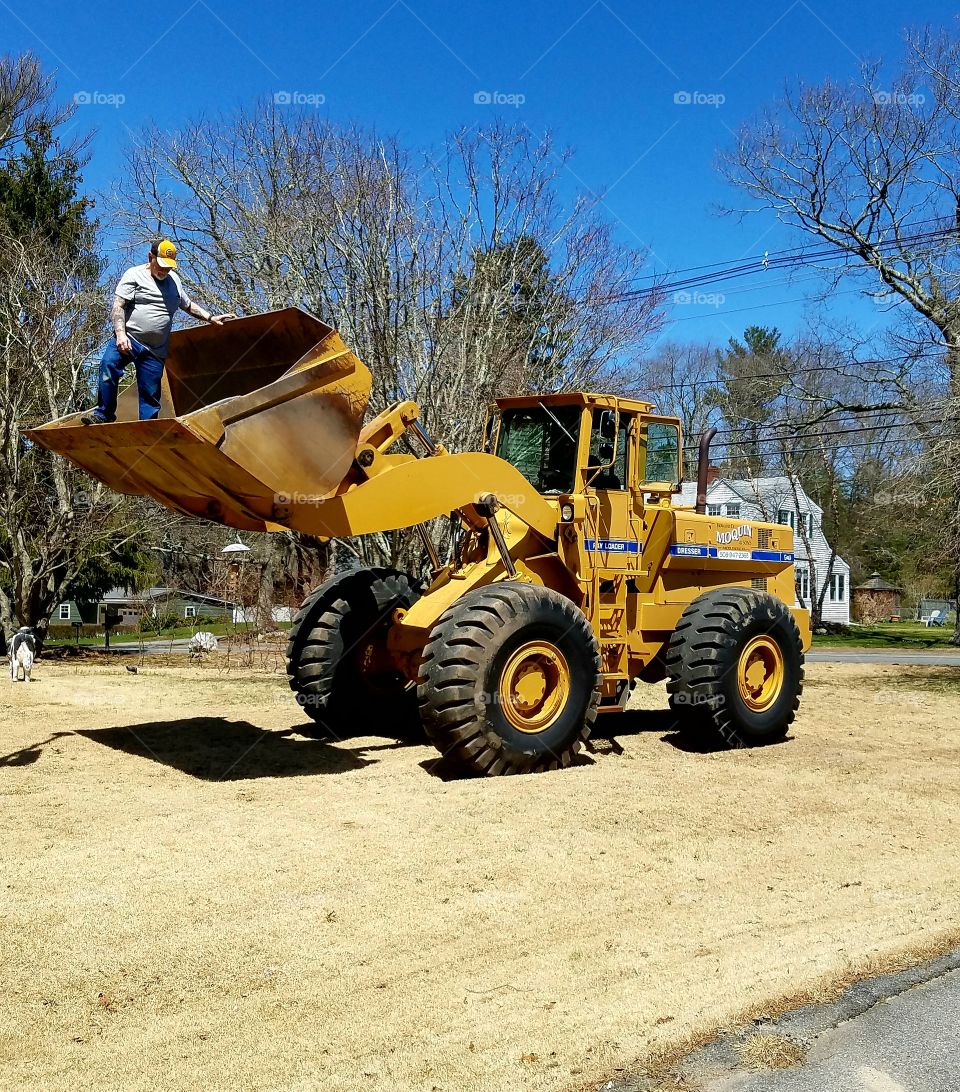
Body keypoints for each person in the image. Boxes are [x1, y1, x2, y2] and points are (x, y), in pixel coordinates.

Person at [82, 239, 235, 424]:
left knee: (150, 393)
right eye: (161, 265)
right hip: (129, 338)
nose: (164, 270)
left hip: (155, 350)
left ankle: (147, 427)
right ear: (150, 257)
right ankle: (104, 414)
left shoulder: (174, 281)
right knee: (108, 365)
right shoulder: (134, 274)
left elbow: (187, 305)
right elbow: (118, 306)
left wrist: (211, 318)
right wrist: (120, 334)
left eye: (168, 267)